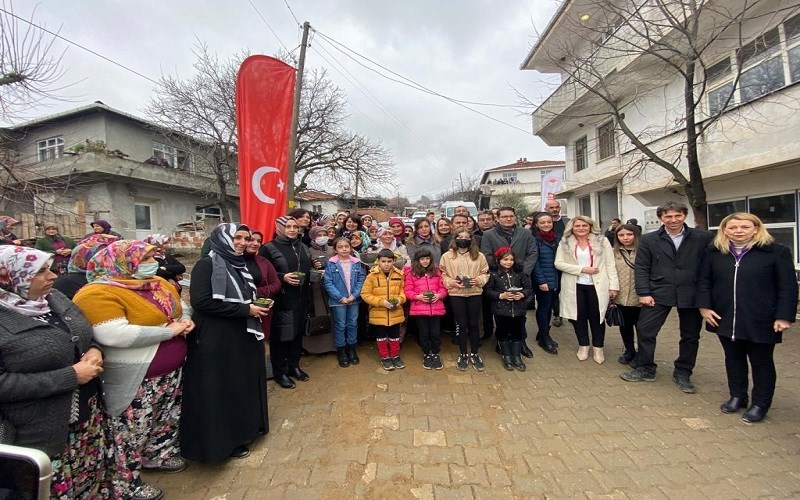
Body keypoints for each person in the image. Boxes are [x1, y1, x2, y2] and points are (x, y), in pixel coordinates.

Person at [74, 240, 192, 498]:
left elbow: (181, 307)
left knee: (164, 419)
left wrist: (186, 320)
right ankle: (125, 484)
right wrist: (168, 331)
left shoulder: (158, 284)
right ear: (122, 263)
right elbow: (114, 335)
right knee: (129, 432)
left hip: (170, 371)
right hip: (135, 377)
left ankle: (158, 454)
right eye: (146, 260)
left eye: (153, 258)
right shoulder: (97, 293)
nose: (154, 264)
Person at [0, 246, 112, 499]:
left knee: (90, 479)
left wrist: (95, 350)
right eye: (40, 271)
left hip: (86, 415)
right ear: (9, 277)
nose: (52, 276)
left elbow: (82, 335)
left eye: (49, 268)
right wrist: (70, 377)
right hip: (37, 430)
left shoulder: (54, 298)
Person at [179, 223, 270, 462]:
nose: (242, 242)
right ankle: (224, 443)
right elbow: (202, 302)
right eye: (237, 237)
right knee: (221, 388)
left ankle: (245, 432)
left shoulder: (237, 264)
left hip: (242, 335)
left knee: (240, 384)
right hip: (216, 339)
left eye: (246, 238)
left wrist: (253, 306)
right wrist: (245, 309)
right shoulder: (206, 265)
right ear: (221, 238)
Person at [697, 213, 797, 423]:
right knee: (733, 358)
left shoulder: (776, 252)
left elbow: (787, 287)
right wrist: (704, 307)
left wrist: (784, 316)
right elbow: (704, 281)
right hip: (724, 316)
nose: (738, 231)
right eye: (732, 227)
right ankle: (738, 396)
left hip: (761, 319)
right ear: (724, 230)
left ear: (755, 229)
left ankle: (760, 403)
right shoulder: (715, 252)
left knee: (761, 362)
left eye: (744, 227)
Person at [620, 201, 713, 393]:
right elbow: (642, 267)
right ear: (661, 218)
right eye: (668, 216)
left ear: (684, 216)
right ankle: (645, 367)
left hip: (691, 292)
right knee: (646, 330)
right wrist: (643, 292)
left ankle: (683, 372)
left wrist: (706, 296)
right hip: (659, 291)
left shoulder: (702, 237)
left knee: (689, 336)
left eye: (677, 216)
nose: (673, 220)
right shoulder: (648, 239)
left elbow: (709, 267)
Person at [261, 216, 322, 389]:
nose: (292, 230)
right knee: (281, 338)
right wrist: (282, 277)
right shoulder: (268, 248)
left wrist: (314, 267)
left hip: (302, 299)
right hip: (282, 300)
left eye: (295, 226)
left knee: (297, 336)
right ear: (279, 228)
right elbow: (262, 274)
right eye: (287, 226)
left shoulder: (302, 246)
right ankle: (280, 373)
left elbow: (306, 268)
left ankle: (294, 366)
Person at [555, 216, 619, 364]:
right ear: (572, 227)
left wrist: (614, 285)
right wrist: (582, 269)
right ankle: (583, 345)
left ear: (590, 226)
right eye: (577, 226)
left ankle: (598, 347)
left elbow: (610, 264)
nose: (581, 228)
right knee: (579, 317)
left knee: (598, 317)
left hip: (598, 285)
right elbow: (558, 263)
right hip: (575, 285)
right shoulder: (565, 242)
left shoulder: (602, 242)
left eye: (585, 225)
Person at [479, 206, 538, 357]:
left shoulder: (525, 233)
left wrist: (522, 272)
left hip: (520, 278)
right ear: (497, 219)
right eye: (504, 216)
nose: (508, 219)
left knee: (520, 313)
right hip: (499, 279)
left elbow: (532, 253)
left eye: (511, 216)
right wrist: (501, 270)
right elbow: (486, 256)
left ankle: (521, 343)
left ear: (515, 217)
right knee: (501, 313)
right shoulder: (488, 235)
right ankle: (502, 342)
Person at [440, 227, 490, 372]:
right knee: (462, 324)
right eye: (460, 236)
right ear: (455, 239)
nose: (463, 239)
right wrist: (451, 282)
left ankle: (474, 353)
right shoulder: (447, 256)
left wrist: (478, 280)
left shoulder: (479, 255)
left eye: (466, 237)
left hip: (474, 293)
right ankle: (463, 354)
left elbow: (485, 273)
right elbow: (442, 273)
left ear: (471, 239)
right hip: (456, 294)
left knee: (474, 324)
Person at [484, 247, 533, 371]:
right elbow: (488, 291)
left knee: (517, 332)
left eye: (511, 259)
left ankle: (517, 356)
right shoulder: (493, 274)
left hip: (518, 309)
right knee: (503, 332)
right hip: (501, 310)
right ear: (498, 260)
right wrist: (501, 295)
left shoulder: (519, 273)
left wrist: (522, 294)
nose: (509, 262)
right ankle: (506, 356)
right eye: (505, 259)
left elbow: (528, 287)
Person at [323, 237, 366, 367]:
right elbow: (328, 282)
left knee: (352, 323)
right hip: (338, 301)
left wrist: (354, 295)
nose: (344, 249)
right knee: (340, 325)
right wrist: (340, 297)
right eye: (340, 247)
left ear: (350, 248)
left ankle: (351, 349)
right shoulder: (331, 263)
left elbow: (361, 279)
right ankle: (341, 350)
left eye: (346, 246)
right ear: (335, 249)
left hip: (353, 299)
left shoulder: (356, 263)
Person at [361, 249, 407, 370]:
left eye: (389, 261)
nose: (386, 264)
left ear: (394, 261)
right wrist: (381, 302)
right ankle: (385, 357)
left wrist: (399, 300)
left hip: (395, 312)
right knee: (381, 336)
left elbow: (403, 292)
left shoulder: (399, 275)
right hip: (378, 313)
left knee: (395, 336)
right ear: (378, 262)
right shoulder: (371, 276)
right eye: (383, 261)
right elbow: (365, 294)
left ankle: (395, 355)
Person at [404, 247, 447, 370]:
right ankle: (426, 353)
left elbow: (443, 288)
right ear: (417, 260)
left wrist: (439, 295)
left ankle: (435, 352)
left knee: (435, 332)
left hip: (436, 307)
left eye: (427, 258)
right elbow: (407, 290)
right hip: (420, 308)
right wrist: (417, 297)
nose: (425, 261)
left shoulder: (437, 272)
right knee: (423, 333)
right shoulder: (412, 273)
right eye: (422, 259)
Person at [53, 234, 119, 299]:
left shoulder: (113, 278)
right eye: (100, 255)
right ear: (85, 257)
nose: (107, 259)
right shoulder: (67, 283)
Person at [244, 231, 282, 342]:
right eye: (251, 240)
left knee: (259, 344)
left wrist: (257, 292)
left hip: (261, 310)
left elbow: (276, 284)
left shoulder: (263, 261)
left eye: (259, 241)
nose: (255, 243)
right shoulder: (232, 262)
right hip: (239, 312)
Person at [612, 224, 642, 364]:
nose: (625, 238)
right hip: (622, 296)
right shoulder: (614, 252)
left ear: (635, 235)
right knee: (625, 326)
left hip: (640, 297)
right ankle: (629, 350)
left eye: (629, 234)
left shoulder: (644, 251)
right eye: (621, 235)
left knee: (642, 328)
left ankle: (643, 353)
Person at [305, 225, 336, 354]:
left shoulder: (332, 249)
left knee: (333, 315)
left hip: (333, 286)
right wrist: (313, 266)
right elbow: (305, 269)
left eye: (325, 234)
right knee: (319, 314)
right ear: (313, 236)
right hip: (317, 288)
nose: (322, 237)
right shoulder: (308, 250)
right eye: (319, 235)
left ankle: (334, 345)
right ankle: (318, 347)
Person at [531, 212, 559, 355]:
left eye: (549, 222)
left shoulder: (556, 238)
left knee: (549, 308)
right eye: (542, 223)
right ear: (536, 224)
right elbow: (534, 263)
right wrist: (541, 280)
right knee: (543, 308)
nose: (546, 225)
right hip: (543, 280)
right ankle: (544, 336)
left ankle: (543, 333)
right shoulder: (534, 239)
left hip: (555, 279)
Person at [544, 200, 568, 327]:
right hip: (549, 263)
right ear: (546, 208)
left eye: (557, 207)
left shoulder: (568, 222)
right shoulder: (542, 222)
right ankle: (557, 314)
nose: (554, 209)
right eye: (551, 207)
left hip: (567, 262)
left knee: (568, 288)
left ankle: (569, 312)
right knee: (555, 290)